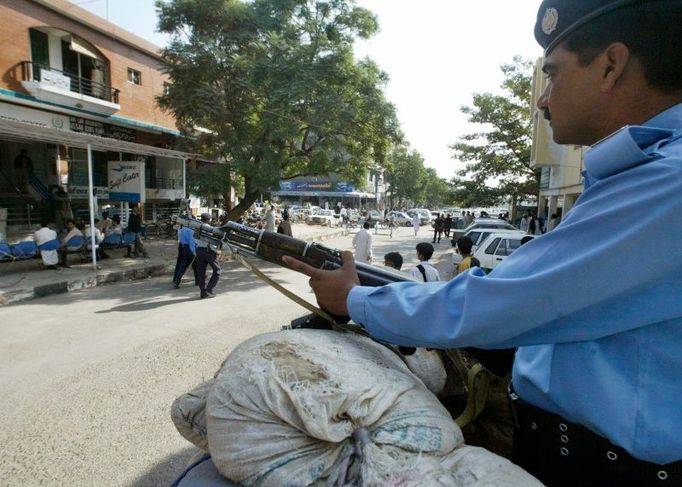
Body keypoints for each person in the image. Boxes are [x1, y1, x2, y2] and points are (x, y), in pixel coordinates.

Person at [283, 1, 682, 485]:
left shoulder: (667, 182)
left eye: (553, 75)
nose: (543, 99)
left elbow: (509, 300)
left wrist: (352, 300)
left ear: (611, 65)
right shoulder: (643, 174)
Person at [195, 213, 220, 299]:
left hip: (199, 250)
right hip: (208, 251)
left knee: (201, 272)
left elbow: (194, 238)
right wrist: (216, 250)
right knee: (217, 270)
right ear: (208, 220)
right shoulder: (208, 228)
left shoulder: (197, 227)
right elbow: (211, 241)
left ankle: (203, 292)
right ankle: (209, 290)